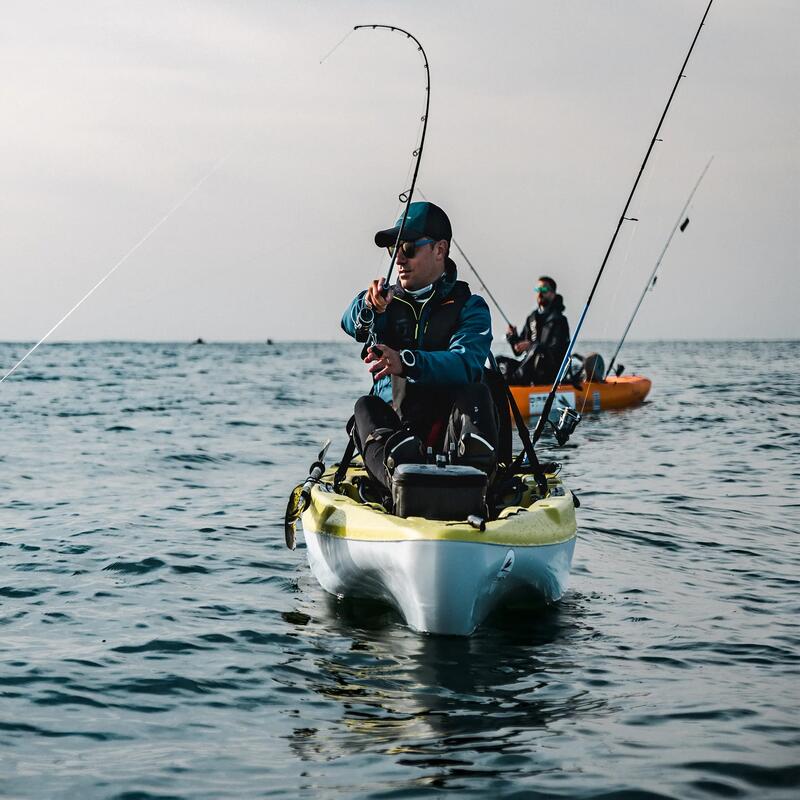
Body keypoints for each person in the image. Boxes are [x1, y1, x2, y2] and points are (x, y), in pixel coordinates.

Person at [341, 201, 499, 492]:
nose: (399, 259)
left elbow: (465, 363)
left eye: (409, 248)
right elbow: (350, 323)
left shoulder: (471, 307)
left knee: (478, 391)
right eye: (394, 250)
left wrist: (406, 362)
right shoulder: (381, 301)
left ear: (440, 250)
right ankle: (401, 484)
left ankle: (472, 483)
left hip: (450, 431)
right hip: (398, 433)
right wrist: (368, 306)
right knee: (366, 406)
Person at [497, 276, 570, 385]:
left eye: (544, 290)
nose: (540, 293)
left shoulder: (559, 320)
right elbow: (519, 351)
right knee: (498, 361)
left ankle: (514, 380)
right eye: (537, 290)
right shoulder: (532, 318)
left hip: (549, 370)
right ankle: (496, 385)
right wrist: (513, 339)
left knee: (536, 349)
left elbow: (556, 351)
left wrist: (531, 345)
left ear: (553, 294)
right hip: (528, 368)